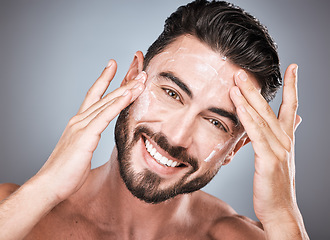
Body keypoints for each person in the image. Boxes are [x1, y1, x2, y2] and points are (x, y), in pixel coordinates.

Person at [0, 0, 309, 239]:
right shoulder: (17, 212)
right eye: (172, 93)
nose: (176, 137)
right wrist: (45, 189)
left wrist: (283, 216)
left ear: (236, 147)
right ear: (133, 77)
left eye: (215, 122)